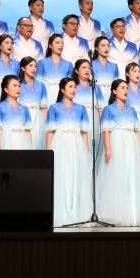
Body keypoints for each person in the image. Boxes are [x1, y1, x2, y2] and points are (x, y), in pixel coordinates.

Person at [96, 79, 140, 226]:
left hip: (131, 143)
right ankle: (117, 212)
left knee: (131, 175)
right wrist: (108, 148)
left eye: (126, 88)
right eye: (122, 88)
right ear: (114, 91)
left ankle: (133, 213)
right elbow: (106, 131)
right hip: (117, 142)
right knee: (117, 175)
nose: (125, 90)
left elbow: (137, 131)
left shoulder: (131, 110)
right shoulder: (108, 110)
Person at [47, 77, 93, 226]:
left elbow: (84, 133)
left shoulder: (81, 108)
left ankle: (76, 214)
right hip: (60, 143)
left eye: (75, 87)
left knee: (76, 175)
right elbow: (50, 132)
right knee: (62, 175)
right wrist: (48, 152)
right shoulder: (54, 108)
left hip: (76, 144)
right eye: (70, 87)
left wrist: (86, 152)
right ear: (62, 89)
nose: (73, 90)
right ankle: (63, 214)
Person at [0, 75, 34, 150]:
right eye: (14, 86)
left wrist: (30, 150)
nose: (18, 88)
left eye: (19, 86)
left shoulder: (25, 109)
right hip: (6, 142)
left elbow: (27, 132)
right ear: (6, 89)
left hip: (22, 143)